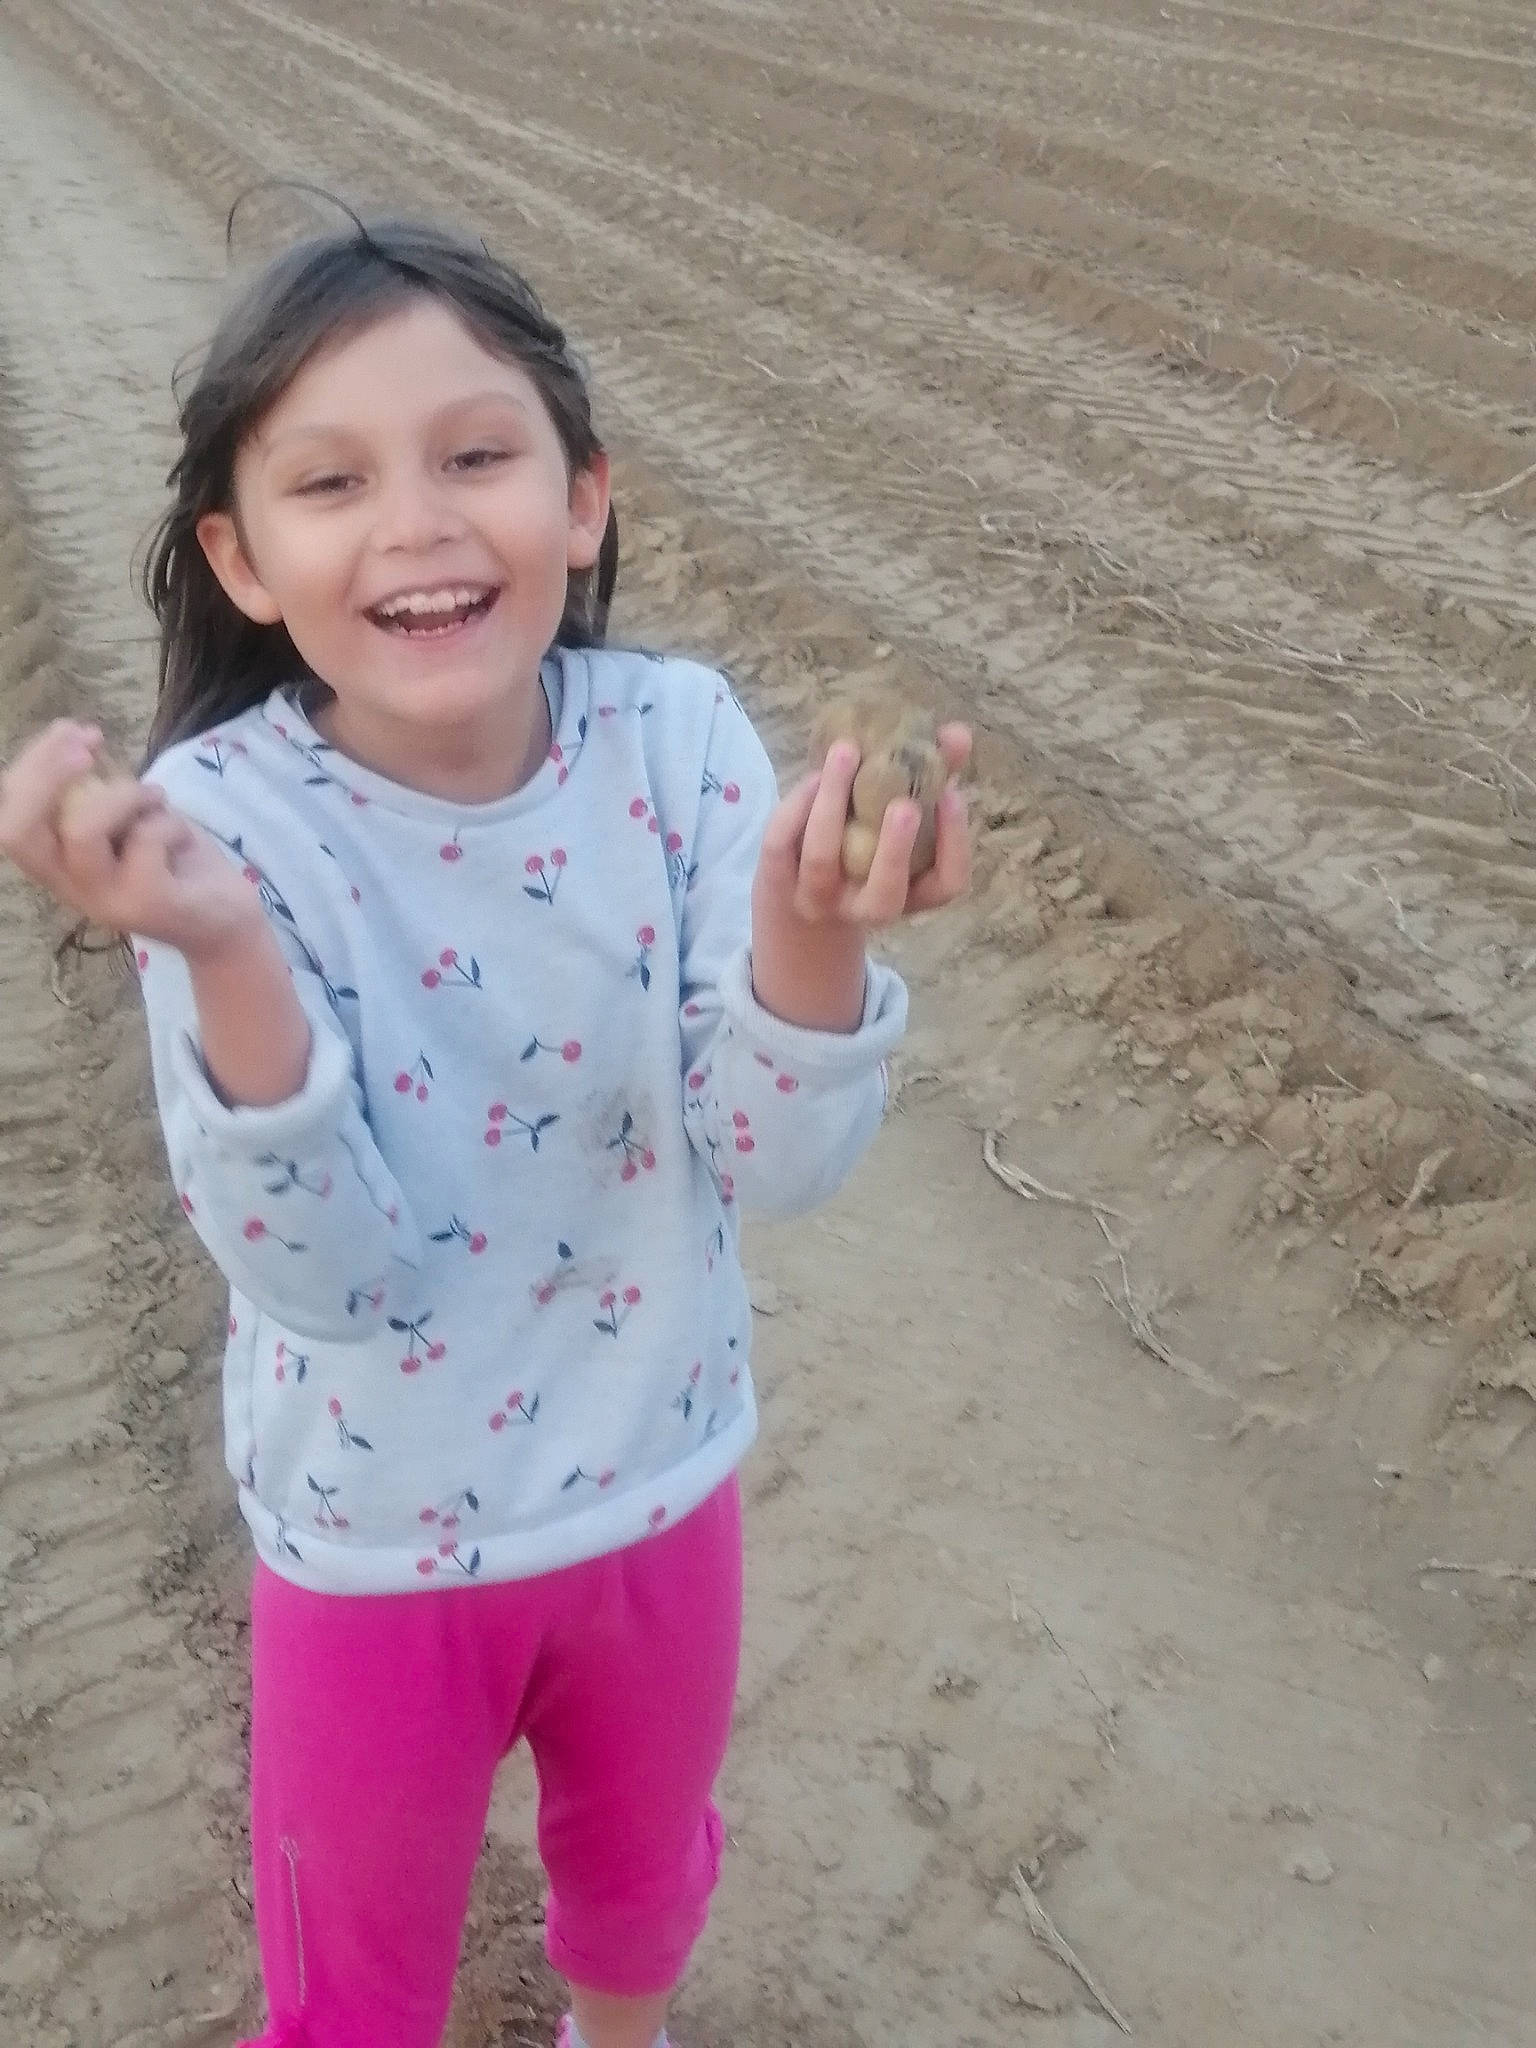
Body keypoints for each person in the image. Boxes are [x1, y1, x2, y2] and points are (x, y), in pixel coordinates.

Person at [0, 216, 970, 2048]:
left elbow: (778, 1160)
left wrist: (813, 928)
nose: (418, 524)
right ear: (241, 557)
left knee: (642, 1880)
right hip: (372, 1540)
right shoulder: (221, 828)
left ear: (582, 499)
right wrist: (222, 950)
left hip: (657, 1482)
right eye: (331, 481)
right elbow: (328, 1278)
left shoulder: (676, 744)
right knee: (354, 1976)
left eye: (476, 455)